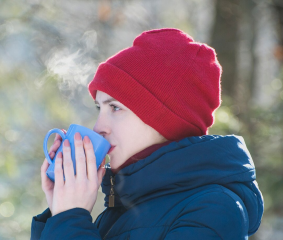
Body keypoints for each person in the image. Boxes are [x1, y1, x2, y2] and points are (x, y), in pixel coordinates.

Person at [31, 28, 264, 240]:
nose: (98, 127)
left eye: (115, 107)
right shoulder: (117, 213)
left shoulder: (214, 210)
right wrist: (58, 215)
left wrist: (70, 221)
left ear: (166, 121)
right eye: (99, 108)